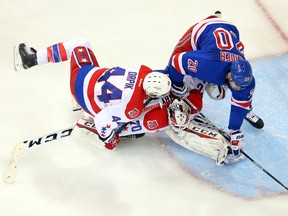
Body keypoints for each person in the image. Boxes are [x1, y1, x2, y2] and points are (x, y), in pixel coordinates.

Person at [15, 39, 204, 150]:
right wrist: (109, 139)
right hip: (84, 97)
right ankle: (113, 126)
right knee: (131, 124)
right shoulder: (133, 107)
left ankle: (33, 59)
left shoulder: (144, 70)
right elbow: (103, 119)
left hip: (87, 74)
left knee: (80, 44)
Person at [165, 12, 264, 162]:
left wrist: (235, 130)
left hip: (230, 33)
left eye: (240, 86)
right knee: (170, 73)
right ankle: (213, 18)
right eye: (235, 84)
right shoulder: (209, 66)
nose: (237, 88)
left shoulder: (246, 82)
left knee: (226, 95)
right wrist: (177, 85)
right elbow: (177, 61)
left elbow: (238, 104)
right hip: (202, 31)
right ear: (229, 75)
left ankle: (245, 107)